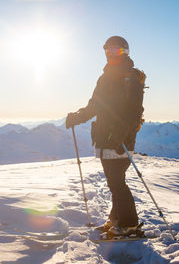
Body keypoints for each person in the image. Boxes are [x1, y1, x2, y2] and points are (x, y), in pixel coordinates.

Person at [65, 36, 146, 236]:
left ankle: (129, 225)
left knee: (117, 182)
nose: (111, 54)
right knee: (113, 181)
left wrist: (122, 134)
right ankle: (116, 220)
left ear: (125, 51)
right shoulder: (104, 77)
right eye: (108, 50)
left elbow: (135, 111)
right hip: (103, 137)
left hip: (121, 140)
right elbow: (95, 105)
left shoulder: (131, 77)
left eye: (116, 50)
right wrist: (78, 117)